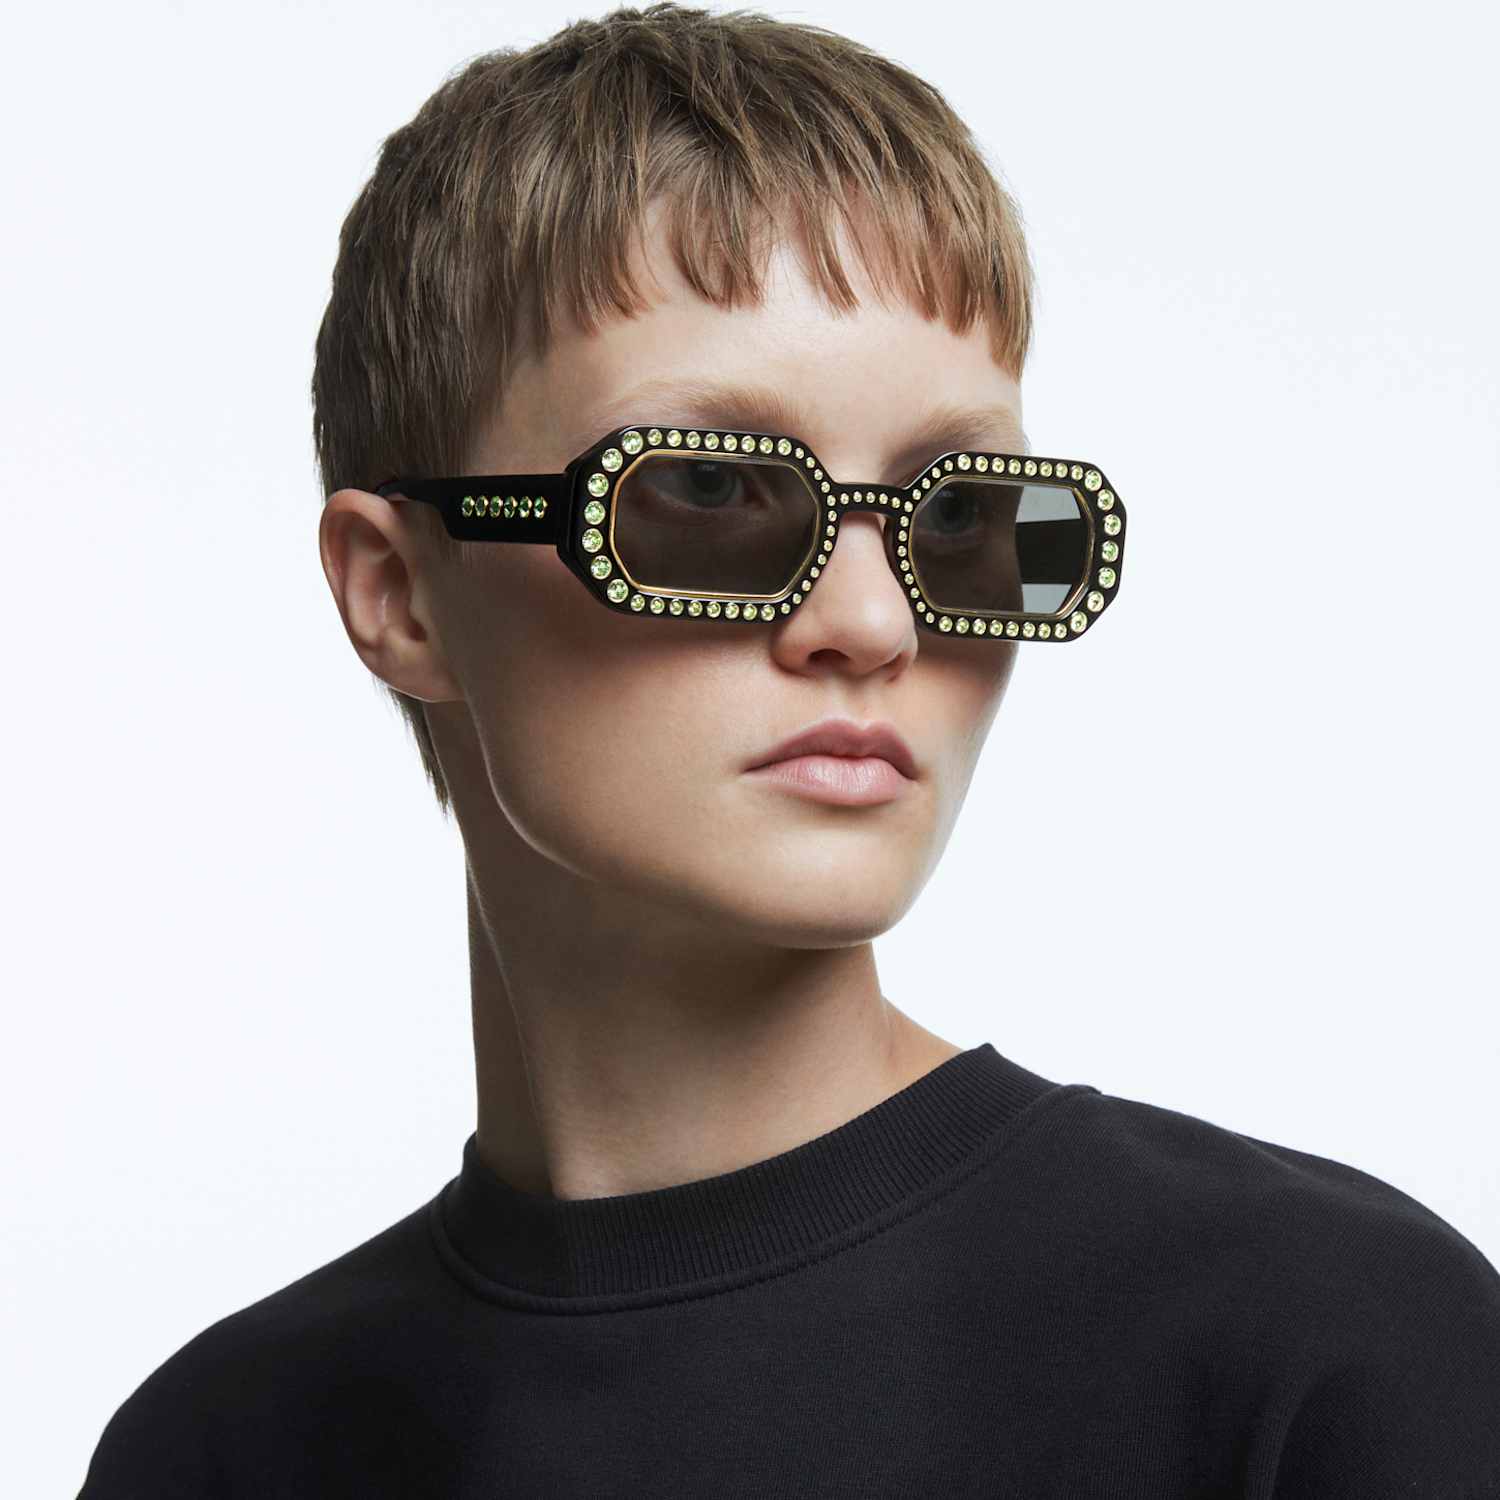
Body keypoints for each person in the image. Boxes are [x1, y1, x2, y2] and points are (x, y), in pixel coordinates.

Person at [77, 4, 1500, 1495]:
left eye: (963, 513)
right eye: (705, 489)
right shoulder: (221, 1450)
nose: (874, 624)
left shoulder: (1327, 1353)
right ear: (399, 593)